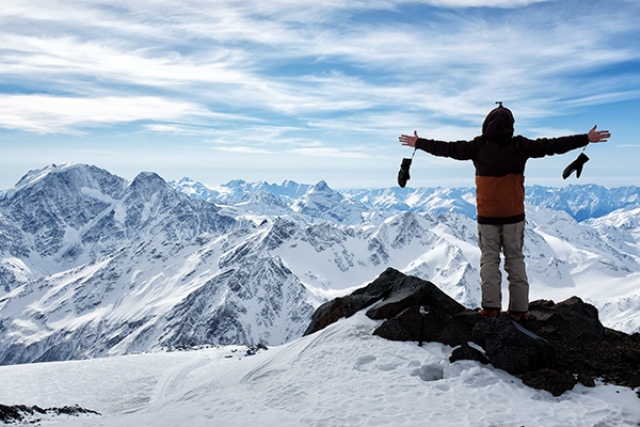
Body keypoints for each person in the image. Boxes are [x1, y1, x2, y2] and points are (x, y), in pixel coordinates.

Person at [398, 104, 610, 319]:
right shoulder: (520, 146)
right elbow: (552, 145)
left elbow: (448, 149)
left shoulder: (478, 146)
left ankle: (490, 309)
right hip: (514, 217)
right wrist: (585, 138)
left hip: (487, 217)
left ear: (486, 124)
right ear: (511, 126)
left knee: (489, 260)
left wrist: (419, 143)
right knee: (515, 260)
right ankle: (519, 311)